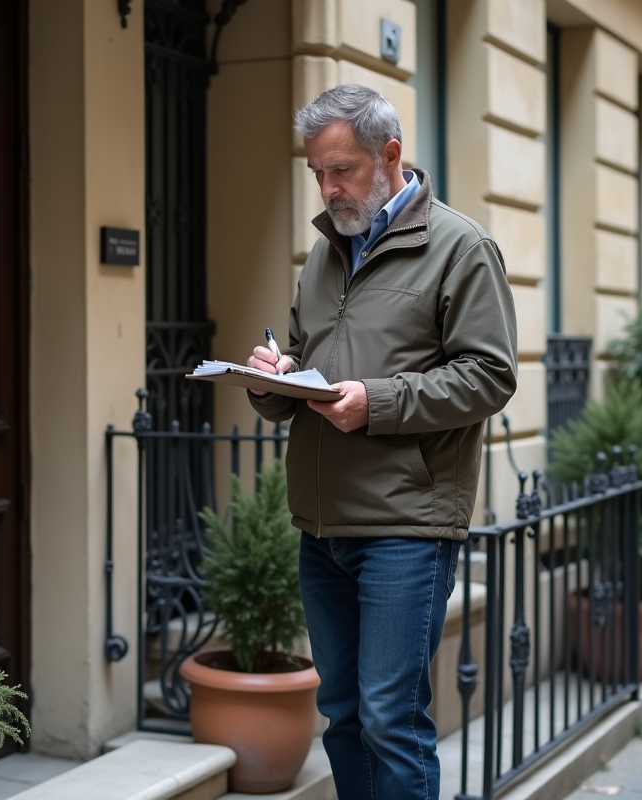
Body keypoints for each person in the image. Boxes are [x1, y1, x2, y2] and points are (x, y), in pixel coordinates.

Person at [245, 84, 518, 799]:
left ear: (390, 155)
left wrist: (381, 403)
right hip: (322, 523)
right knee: (341, 716)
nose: (328, 188)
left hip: (407, 526)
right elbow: (309, 366)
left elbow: (490, 377)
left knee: (390, 719)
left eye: (342, 170)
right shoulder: (326, 252)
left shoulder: (462, 247)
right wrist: (272, 379)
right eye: (318, 174)